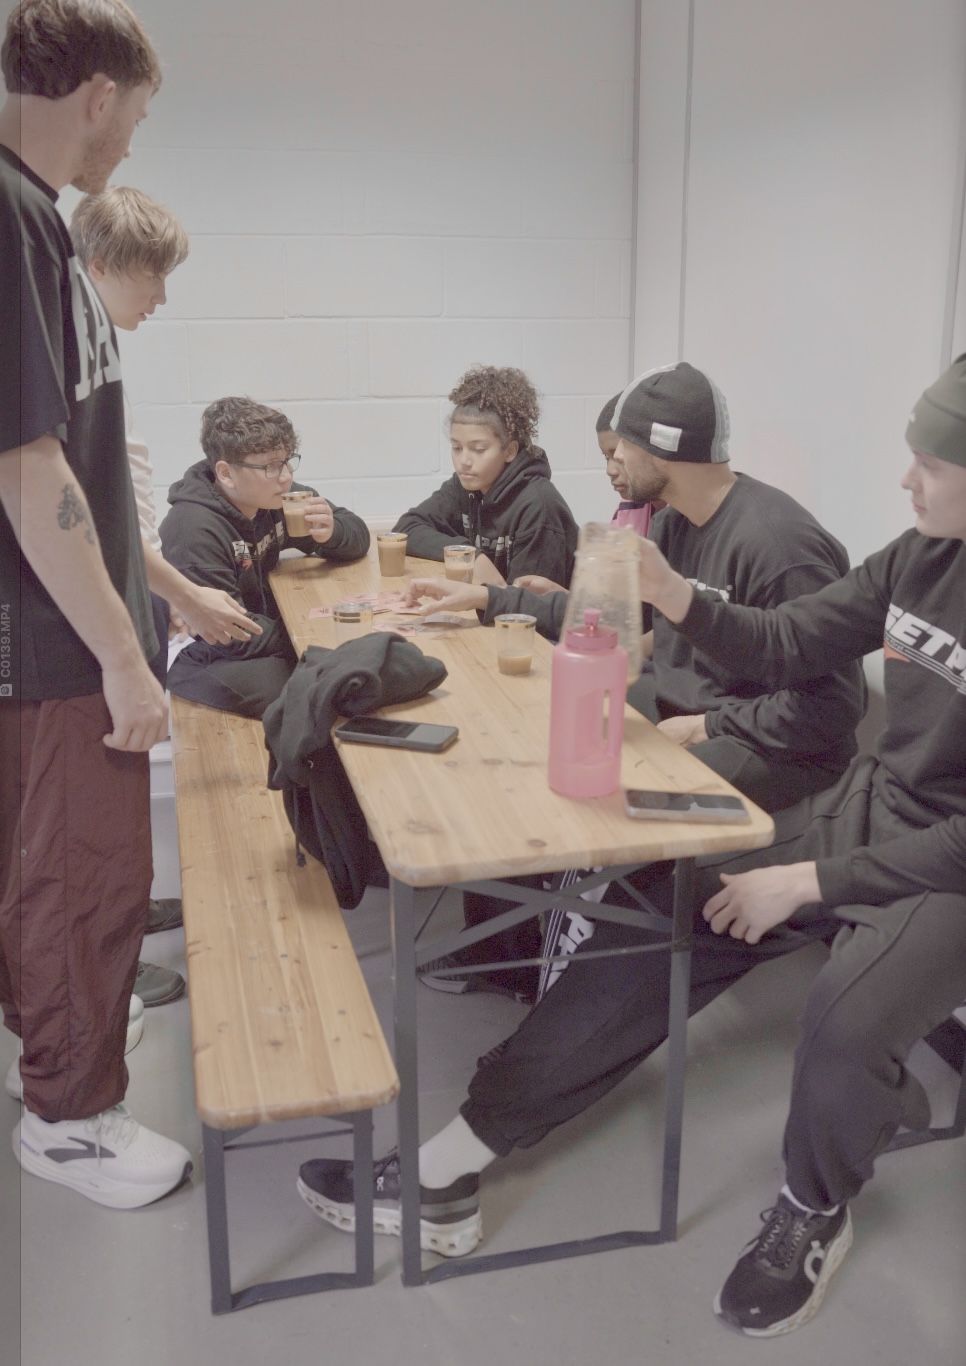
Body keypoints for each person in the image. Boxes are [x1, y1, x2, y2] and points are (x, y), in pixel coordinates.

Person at [298, 355, 966, 1338]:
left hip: (943, 859)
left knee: (842, 1024)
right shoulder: (921, 553)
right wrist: (676, 595)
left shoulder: (798, 533)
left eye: (929, 465)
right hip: (881, 807)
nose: (905, 482)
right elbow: (788, 642)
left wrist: (810, 879)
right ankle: (447, 1167)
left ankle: (813, 1206)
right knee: (668, 917)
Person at [409, 363, 865, 1000]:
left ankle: (561, 992)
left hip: (775, 742)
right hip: (688, 703)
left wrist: (709, 724)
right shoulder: (673, 517)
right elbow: (612, 622)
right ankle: (506, 957)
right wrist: (489, 598)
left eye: (620, 446)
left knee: (605, 804)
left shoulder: (779, 544)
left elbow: (833, 710)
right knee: (535, 742)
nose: (612, 461)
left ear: (662, 450)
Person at [0, 0, 191, 1207]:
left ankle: (52, 1069)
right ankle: (69, 1121)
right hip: (61, 648)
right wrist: (126, 657)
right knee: (85, 875)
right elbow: (28, 466)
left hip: (53, 637)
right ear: (101, 94)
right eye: (134, 119)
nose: (126, 149)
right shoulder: (16, 215)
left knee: (48, 877)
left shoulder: (39, 227)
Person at [69, 184, 258, 1006]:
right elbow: (90, 515)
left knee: (116, 793)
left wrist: (166, 597)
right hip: (88, 617)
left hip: (129, 594)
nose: (163, 298)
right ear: (105, 266)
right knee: (86, 806)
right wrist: (180, 590)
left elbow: (120, 503)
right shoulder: (63, 351)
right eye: (154, 278)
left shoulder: (98, 348)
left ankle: (126, 910)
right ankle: (101, 959)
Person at [159, 396, 370, 717]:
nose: (285, 475)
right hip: (203, 654)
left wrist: (331, 533)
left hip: (258, 639)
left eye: (287, 461)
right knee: (313, 687)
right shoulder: (192, 528)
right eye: (271, 466)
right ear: (226, 474)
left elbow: (359, 537)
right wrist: (307, 633)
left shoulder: (277, 499)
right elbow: (227, 633)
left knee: (343, 673)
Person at [393, 364, 579, 587]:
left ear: (509, 451)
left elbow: (531, 606)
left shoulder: (539, 506)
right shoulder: (466, 485)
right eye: (456, 447)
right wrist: (471, 555)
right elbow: (407, 527)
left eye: (478, 449)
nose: (464, 460)